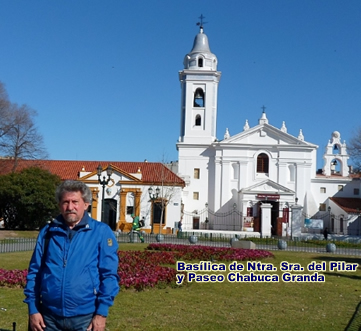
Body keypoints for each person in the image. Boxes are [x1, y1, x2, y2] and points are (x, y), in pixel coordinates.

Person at [24, 180, 120, 331]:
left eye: (75, 202)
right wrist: (33, 309)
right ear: (59, 205)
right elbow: (34, 272)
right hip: (48, 318)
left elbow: (109, 275)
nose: (70, 207)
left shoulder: (100, 232)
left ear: (86, 204)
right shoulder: (48, 232)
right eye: (65, 202)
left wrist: (101, 314)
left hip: (85, 318)